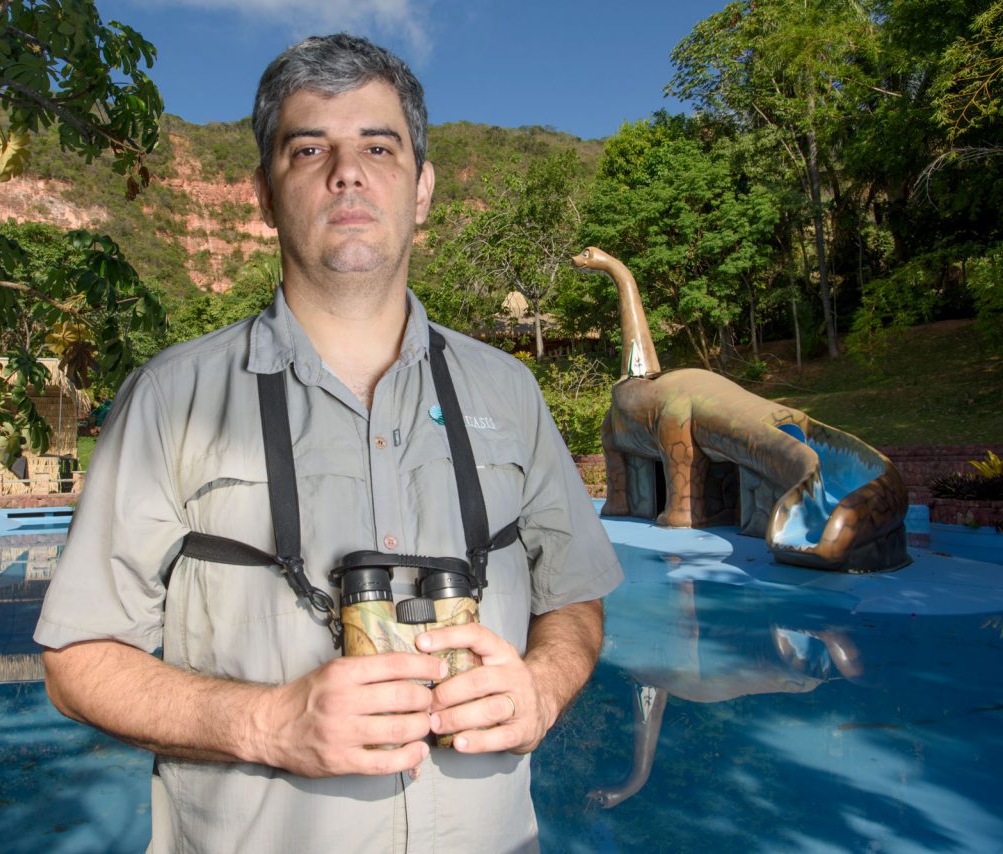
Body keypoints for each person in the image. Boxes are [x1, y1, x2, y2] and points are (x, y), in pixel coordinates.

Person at [35, 33, 623, 853]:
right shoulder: (169, 401)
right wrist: (267, 723)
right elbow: (78, 659)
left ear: (421, 189)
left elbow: (574, 598)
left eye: (378, 147)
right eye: (308, 148)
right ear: (265, 195)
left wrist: (545, 687)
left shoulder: (509, 392)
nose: (347, 171)